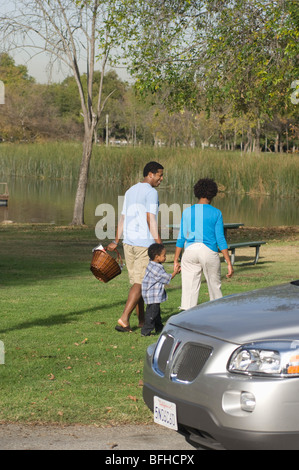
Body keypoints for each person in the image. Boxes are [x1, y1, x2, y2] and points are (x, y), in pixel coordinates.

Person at [107, 161, 164, 332]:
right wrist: (158, 243)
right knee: (139, 283)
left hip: (128, 243)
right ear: (150, 174)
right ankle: (124, 318)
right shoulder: (151, 192)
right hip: (143, 244)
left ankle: (141, 321)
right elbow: (150, 218)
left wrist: (116, 240)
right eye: (160, 175)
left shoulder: (130, 191)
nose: (161, 179)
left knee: (137, 283)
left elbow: (123, 218)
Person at [174, 178, 234, 310]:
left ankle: (186, 321)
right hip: (208, 251)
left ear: (197, 192)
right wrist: (228, 262)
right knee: (214, 288)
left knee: (188, 293)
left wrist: (175, 260)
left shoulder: (187, 212)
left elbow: (181, 237)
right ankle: (217, 316)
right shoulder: (216, 213)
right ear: (213, 194)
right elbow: (220, 239)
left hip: (189, 251)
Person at [141, 243, 180, 336]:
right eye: (164, 255)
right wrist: (175, 272)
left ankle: (159, 327)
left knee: (156, 313)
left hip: (152, 295)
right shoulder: (156, 268)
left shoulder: (152, 264)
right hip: (152, 295)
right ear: (157, 257)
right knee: (152, 314)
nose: (165, 257)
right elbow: (167, 278)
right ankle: (146, 331)